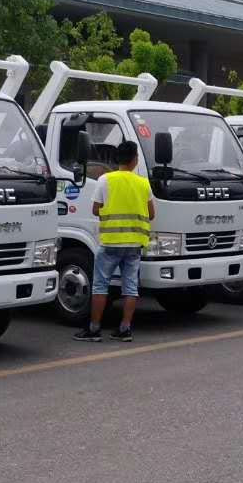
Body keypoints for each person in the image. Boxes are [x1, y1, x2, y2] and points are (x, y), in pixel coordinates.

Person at [75, 140, 155, 342]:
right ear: (135, 159)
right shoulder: (143, 183)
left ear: (118, 159)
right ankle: (125, 329)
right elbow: (151, 214)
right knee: (131, 288)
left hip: (110, 242)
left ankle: (94, 329)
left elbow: (96, 209)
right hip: (134, 244)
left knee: (100, 286)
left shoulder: (105, 180)